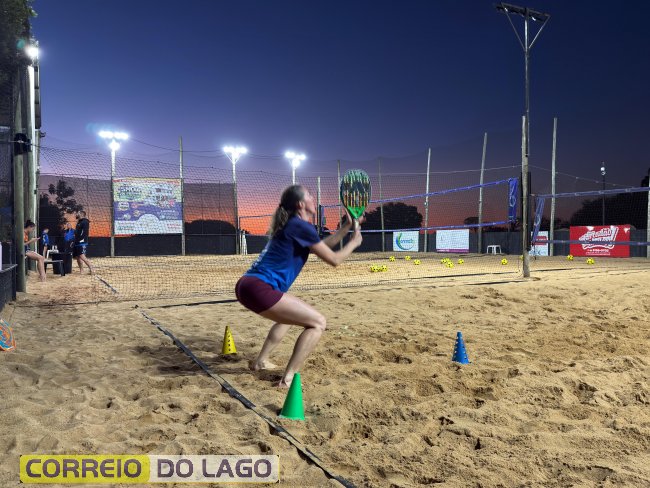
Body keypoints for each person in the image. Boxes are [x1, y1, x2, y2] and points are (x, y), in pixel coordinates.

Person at [235, 185, 363, 387]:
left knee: (288, 318)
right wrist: (354, 243)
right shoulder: (300, 226)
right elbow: (334, 259)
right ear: (301, 204)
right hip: (259, 288)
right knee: (318, 323)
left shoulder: (294, 225)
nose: (313, 198)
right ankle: (287, 380)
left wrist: (346, 228)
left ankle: (261, 361)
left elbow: (321, 247)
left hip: (246, 286)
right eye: (309, 195)